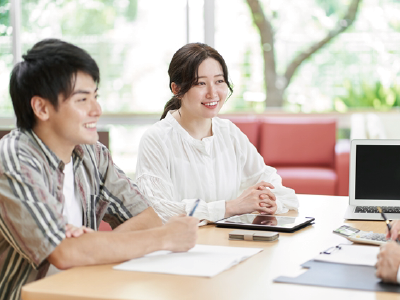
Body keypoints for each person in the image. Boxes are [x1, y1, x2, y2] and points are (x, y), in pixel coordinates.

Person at [0, 39, 198, 300]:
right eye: (82, 99)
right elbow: (65, 253)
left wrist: (89, 246)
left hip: (86, 289)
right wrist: (165, 238)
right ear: (41, 108)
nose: (97, 110)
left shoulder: (92, 154)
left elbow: (146, 218)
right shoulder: (14, 159)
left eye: (96, 96)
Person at [135, 43, 298, 223]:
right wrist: (231, 207)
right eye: (200, 83)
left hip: (231, 244)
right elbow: (158, 211)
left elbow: (274, 186)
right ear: (177, 89)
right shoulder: (156, 139)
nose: (213, 93)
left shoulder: (229, 132)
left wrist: (270, 201)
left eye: (219, 81)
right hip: (182, 247)